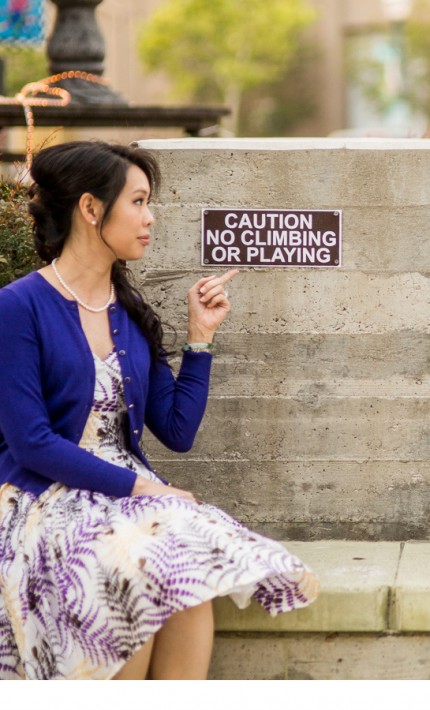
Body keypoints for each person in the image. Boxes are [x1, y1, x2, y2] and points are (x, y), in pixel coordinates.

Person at [0, 141, 319, 679]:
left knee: (188, 569)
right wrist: (141, 488)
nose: (150, 219)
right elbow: (31, 442)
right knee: (136, 575)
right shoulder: (17, 307)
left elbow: (176, 430)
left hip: (127, 496)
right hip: (41, 496)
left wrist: (200, 338)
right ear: (91, 209)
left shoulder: (128, 311)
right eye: (139, 202)